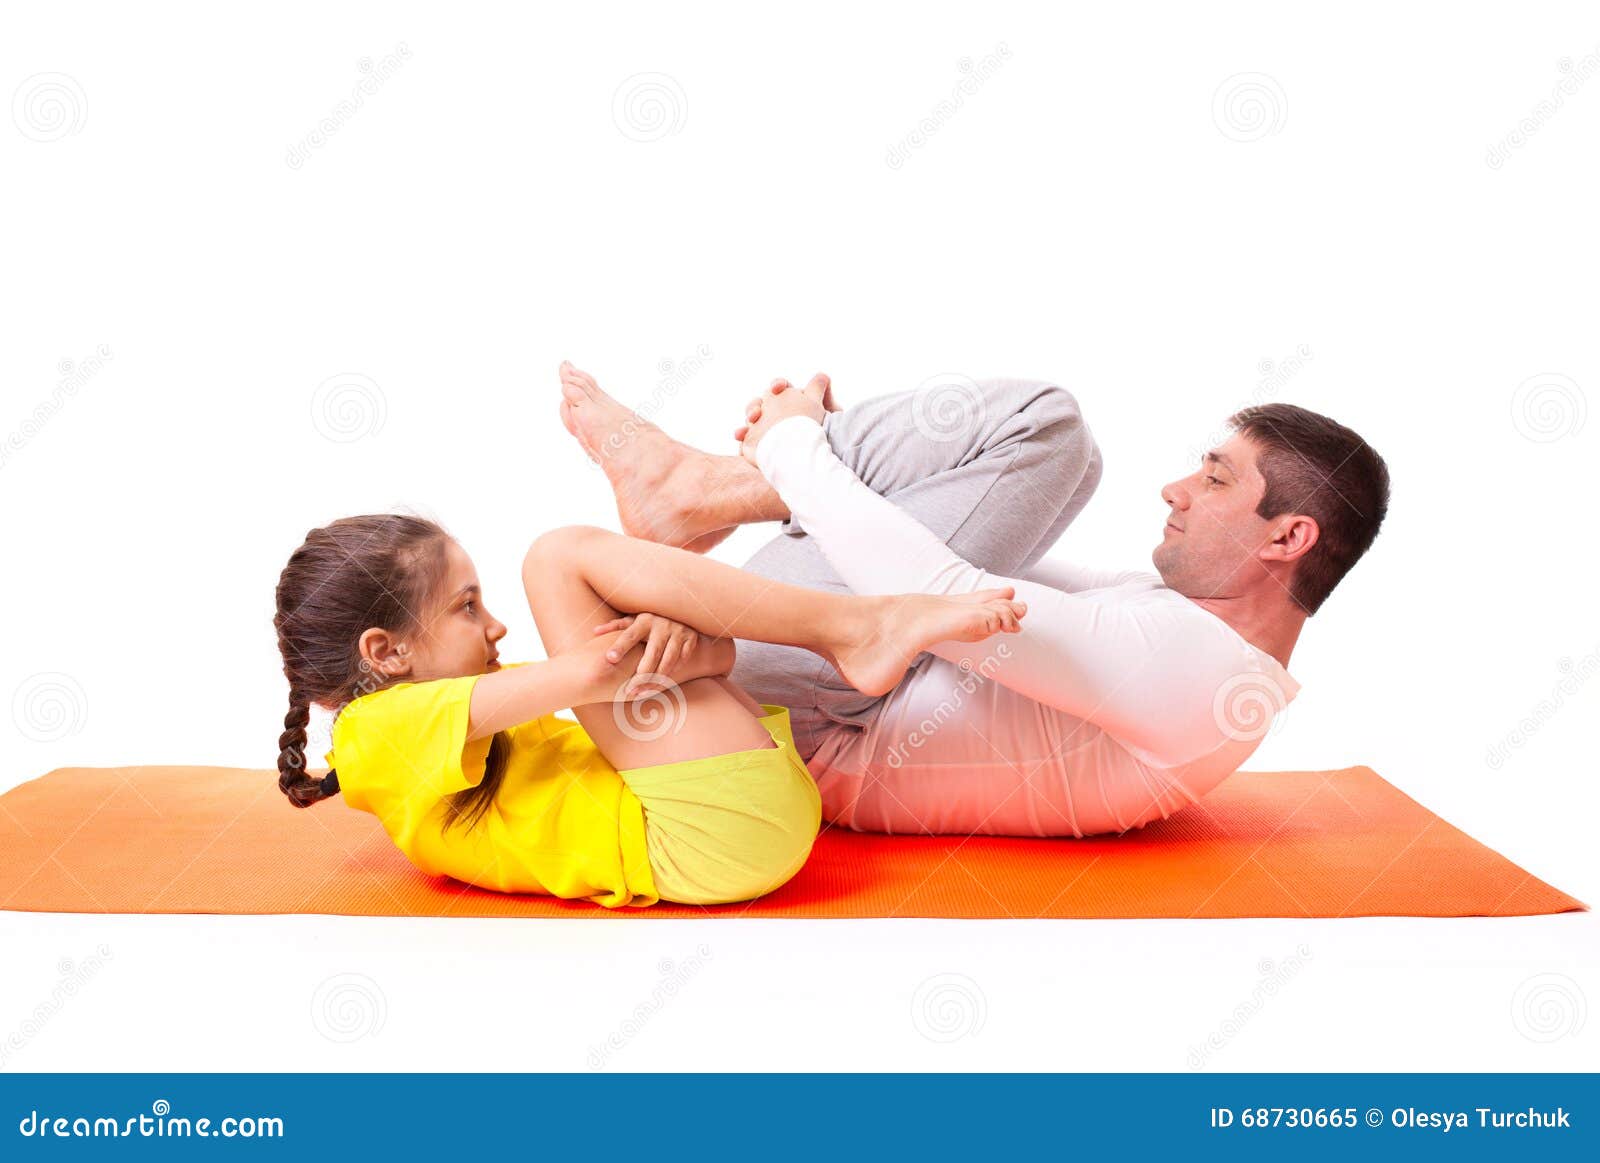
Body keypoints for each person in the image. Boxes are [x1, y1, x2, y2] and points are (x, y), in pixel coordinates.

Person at [558, 361, 1390, 837]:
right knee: (1069, 463)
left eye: (1215, 479)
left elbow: (937, 591)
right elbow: (970, 567)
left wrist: (789, 442)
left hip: (810, 714)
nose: (1177, 489)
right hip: (828, 673)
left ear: (1288, 538)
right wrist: (855, 471)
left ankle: (699, 489)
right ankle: (696, 493)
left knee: (1048, 427)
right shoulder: (1201, 643)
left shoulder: (1199, 672)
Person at [272, 512, 1024, 908]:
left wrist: (675, 641)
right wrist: (640, 629)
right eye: (468, 607)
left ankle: (853, 629)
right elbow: (601, 670)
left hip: (736, 822)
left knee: (576, 568)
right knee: (556, 555)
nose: (496, 625)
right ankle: (854, 629)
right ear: (387, 652)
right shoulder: (375, 734)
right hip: (704, 837)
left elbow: (720, 660)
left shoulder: (476, 704)